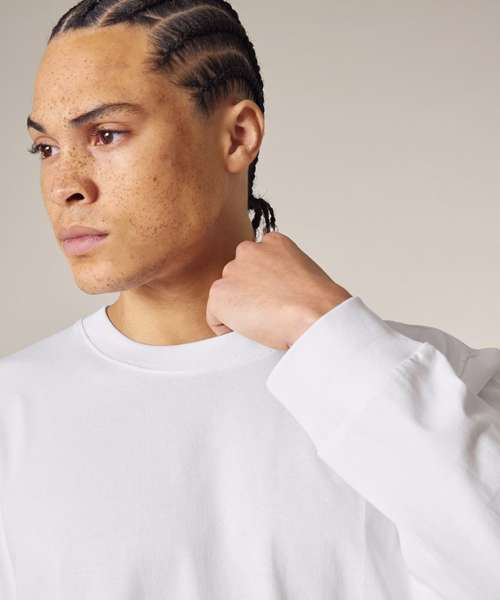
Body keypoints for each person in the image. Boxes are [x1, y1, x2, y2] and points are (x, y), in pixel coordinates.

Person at [1, 0, 499, 598]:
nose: (64, 186)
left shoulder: (440, 383)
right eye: (46, 148)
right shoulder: (12, 414)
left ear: (237, 136)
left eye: (107, 134)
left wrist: (327, 331)